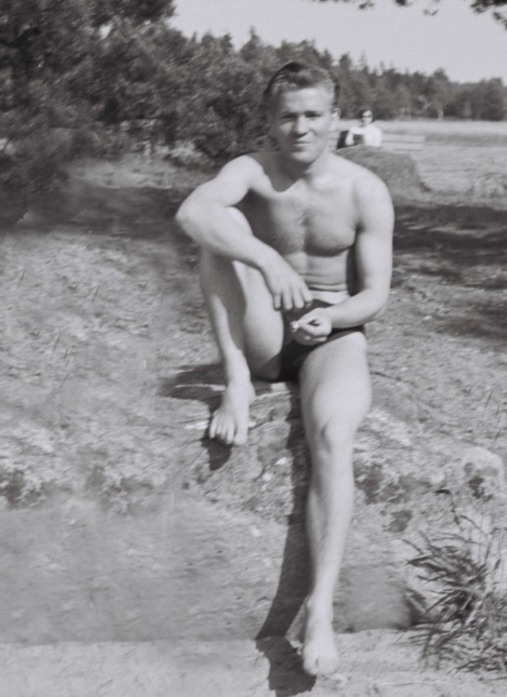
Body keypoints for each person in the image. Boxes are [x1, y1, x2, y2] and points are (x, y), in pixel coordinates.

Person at [175, 62, 394, 677]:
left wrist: (333, 316)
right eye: (288, 116)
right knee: (219, 228)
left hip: (333, 336)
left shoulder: (364, 190)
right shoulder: (252, 171)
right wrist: (267, 260)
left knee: (332, 435)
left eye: (313, 114)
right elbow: (191, 215)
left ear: (335, 119)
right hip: (266, 332)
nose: (301, 128)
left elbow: (376, 294)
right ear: (270, 122)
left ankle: (319, 610)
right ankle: (237, 382)